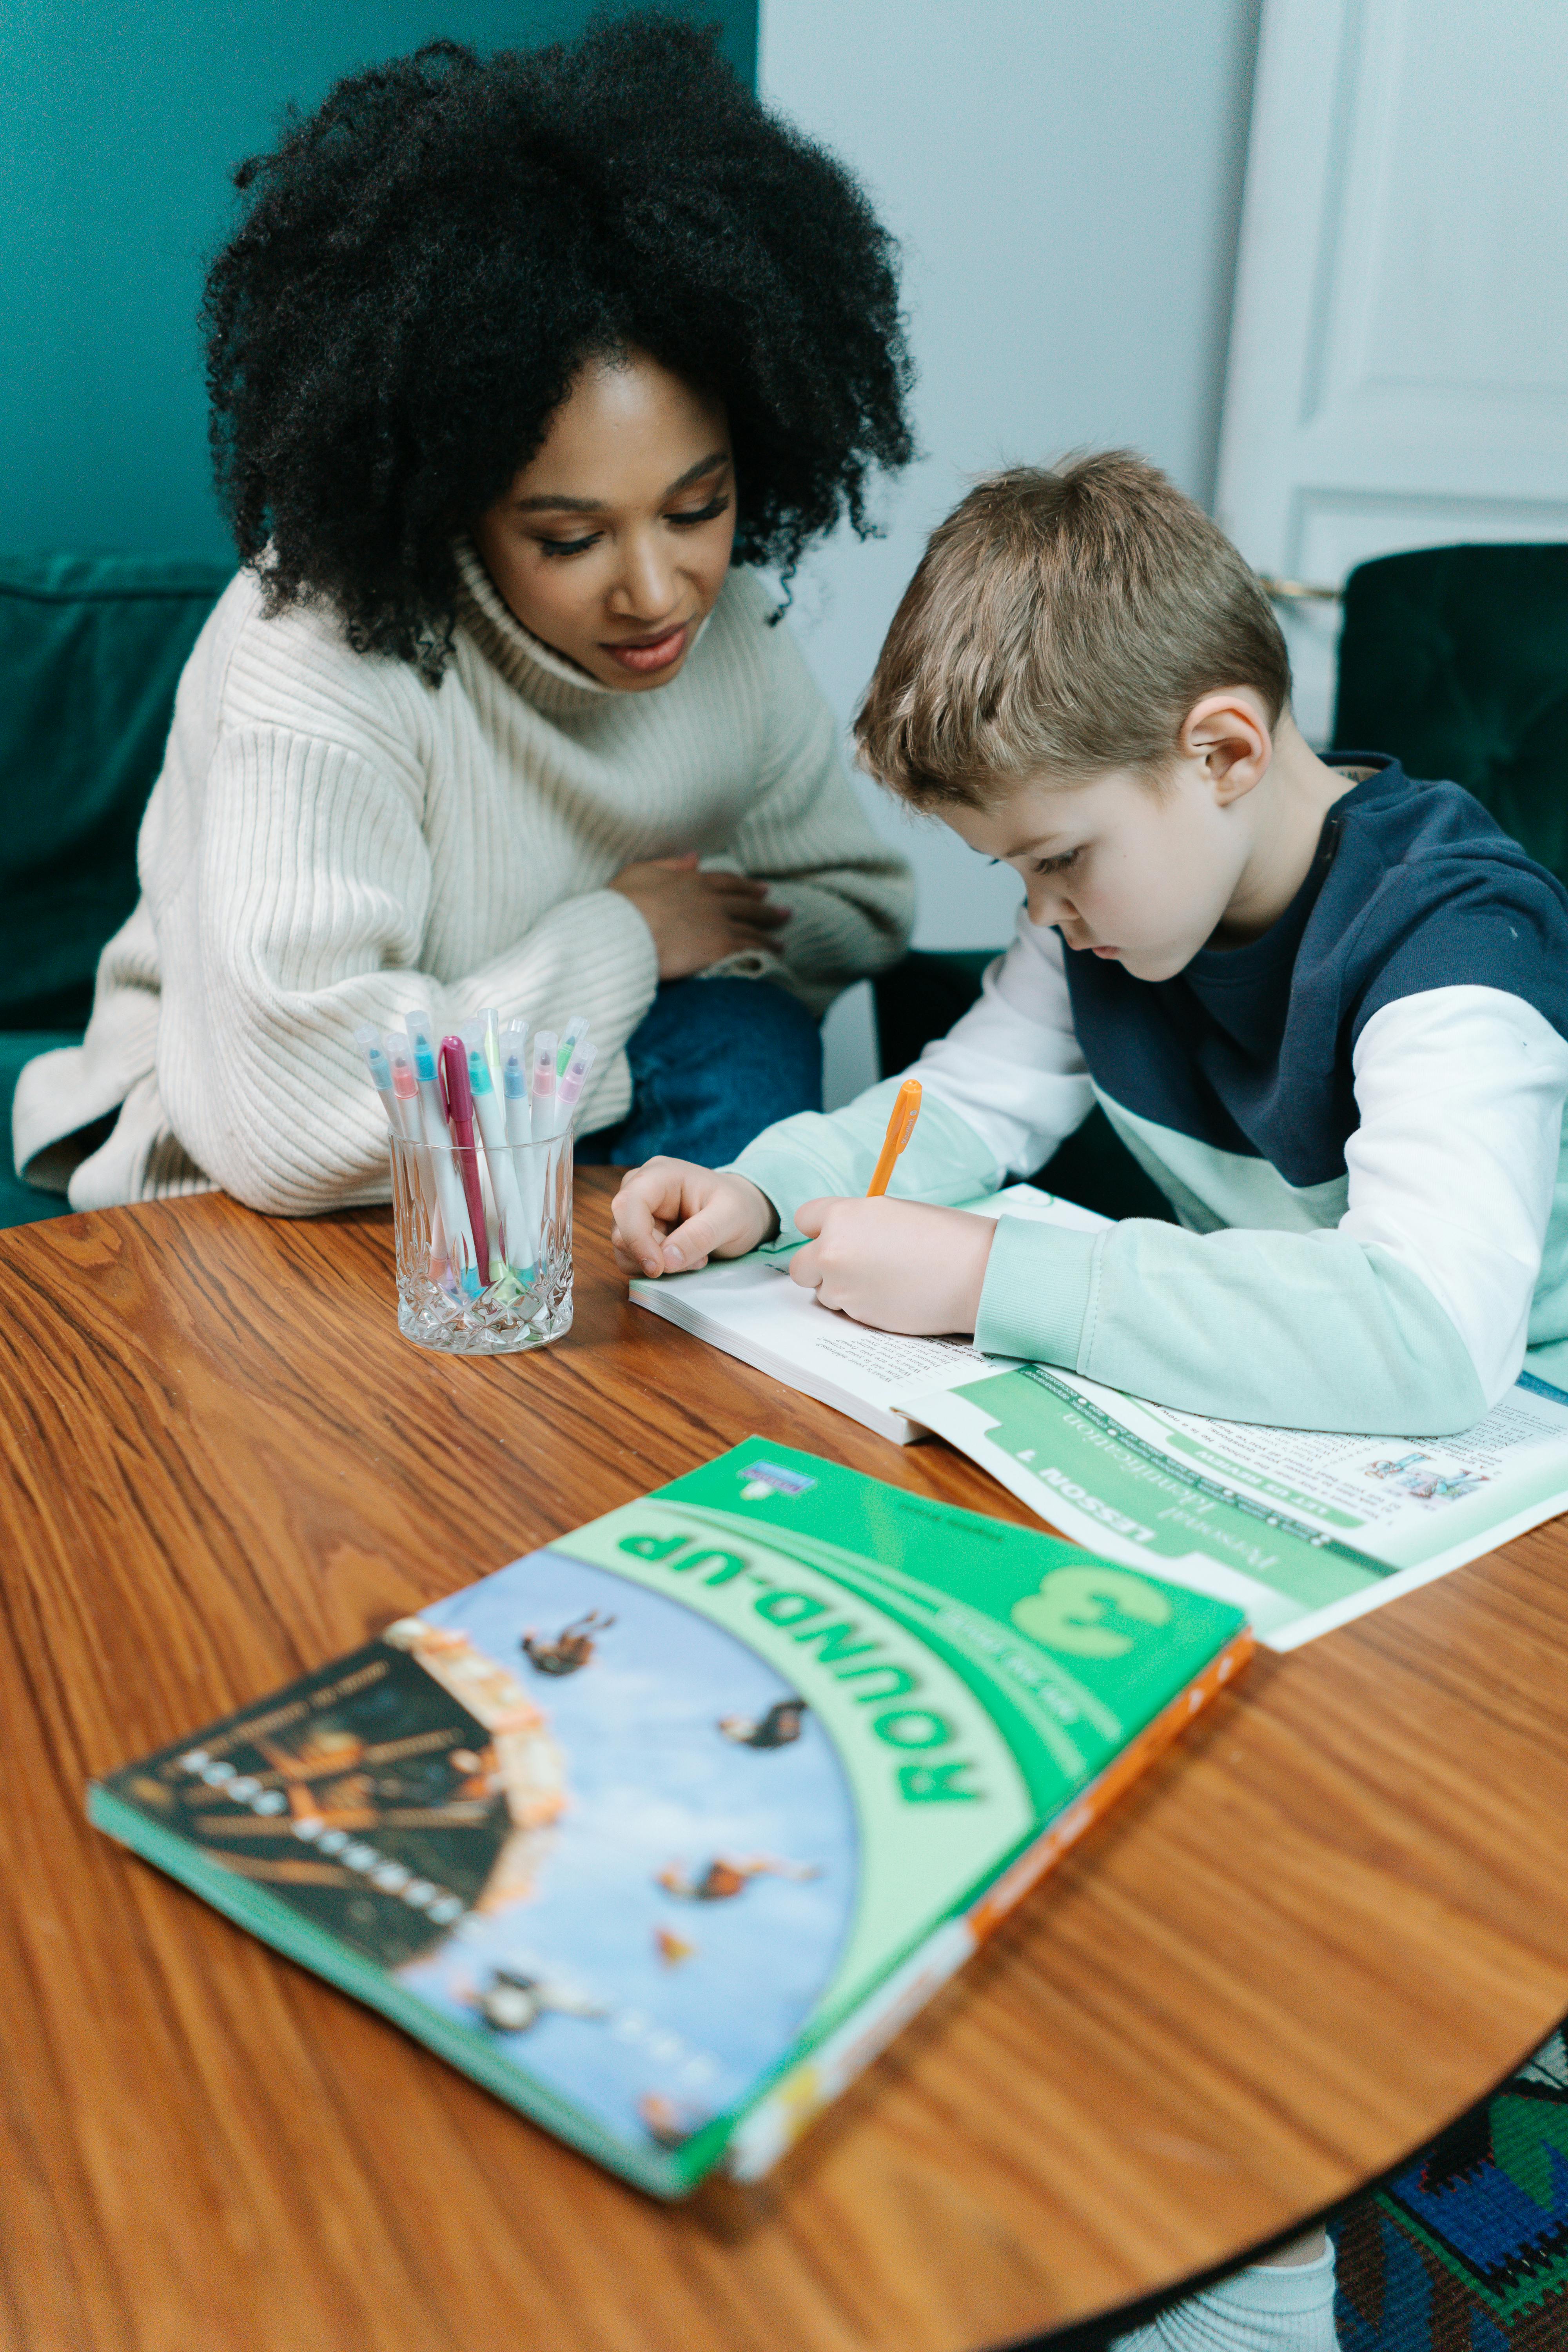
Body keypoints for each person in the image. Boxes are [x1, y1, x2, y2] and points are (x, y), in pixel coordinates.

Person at [13, 18, 914, 1216]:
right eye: (570, 539)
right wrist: (622, 940)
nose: (657, 592)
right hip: (248, 1181)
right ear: (455, 499)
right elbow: (294, 1122)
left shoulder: (730, 629)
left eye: (699, 508)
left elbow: (858, 906)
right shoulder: (322, 654)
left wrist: (697, 939)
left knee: (740, 1031)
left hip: (544, 1120)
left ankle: (681, 1370)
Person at [611, 450, 1568, 1451]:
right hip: (1287, 1405)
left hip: (1515, 1431)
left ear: (1223, 753)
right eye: (1015, 871)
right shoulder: (1104, 924)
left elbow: (1430, 1336)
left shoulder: (1457, 937)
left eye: (1060, 857)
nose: (1042, 912)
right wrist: (761, 1188)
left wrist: (990, 1275)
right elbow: (967, 1104)